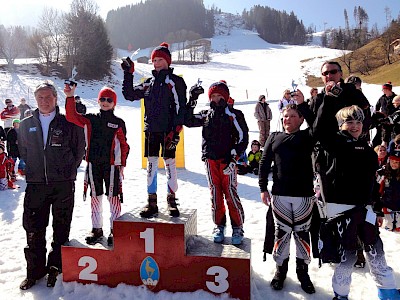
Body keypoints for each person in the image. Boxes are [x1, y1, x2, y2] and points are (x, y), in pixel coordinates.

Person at [314, 104, 400, 300]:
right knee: (347, 259)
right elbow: (319, 130)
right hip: (340, 211)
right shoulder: (333, 145)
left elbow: (371, 184)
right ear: (340, 125)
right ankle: (341, 295)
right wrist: (328, 98)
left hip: (365, 209)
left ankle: (388, 292)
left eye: (358, 122)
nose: (354, 126)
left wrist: (376, 209)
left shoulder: (368, 151)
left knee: (376, 253)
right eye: (349, 122)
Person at [17, 81, 85, 290]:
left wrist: (68, 171)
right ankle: (35, 271)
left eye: (48, 97)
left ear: (56, 98)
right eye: (40, 98)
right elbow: (23, 149)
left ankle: (55, 266)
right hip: (36, 184)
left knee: (61, 226)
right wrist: (32, 169)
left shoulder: (68, 122)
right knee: (33, 228)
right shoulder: (27, 123)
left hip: (62, 184)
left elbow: (79, 148)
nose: (44, 101)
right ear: (35, 100)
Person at [122, 42, 187, 218]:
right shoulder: (148, 83)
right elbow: (129, 94)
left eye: (159, 59)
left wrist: (176, 130)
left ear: (167, 61)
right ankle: (151, 201)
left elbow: (181, 108)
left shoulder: (174, 82)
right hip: (151, 130)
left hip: (169, 131)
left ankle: (171, 199)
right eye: (154, 60)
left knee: (170, 164)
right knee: (151, 164)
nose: (156, 63)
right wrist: (128, 73)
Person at [259, 96, 316, 294]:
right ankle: (280, 272)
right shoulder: (274, 137)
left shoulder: (308, 136)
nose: (288, 119)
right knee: (281, 234)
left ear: (301, 119)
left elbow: (316, 124)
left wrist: (302, 105)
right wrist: (262, 188)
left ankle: (303, 273)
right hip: (280, 195)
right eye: (285, 116)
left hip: (304, 196)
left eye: (293, 116)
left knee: (302, 234)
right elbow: (264, 163)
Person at [185, 80, 249, 245]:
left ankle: (238, 226)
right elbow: (188, 120)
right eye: (212, 96)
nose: (215, 99)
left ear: (226, 97)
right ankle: (219, 225)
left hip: (228, 161)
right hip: (210, 159)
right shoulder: (206, 114)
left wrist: (234, 158)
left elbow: (243, 138)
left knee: (230, 193)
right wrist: (192, 99)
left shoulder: (234, 114)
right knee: (215, 194)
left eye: (219, 95)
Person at [65, 85, 129, 246]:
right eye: (102, 99)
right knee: (95, 196)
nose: (105, 102)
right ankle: (97, 228)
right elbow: (72, 117)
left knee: (113, 197)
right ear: (98, 101)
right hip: (94, 164)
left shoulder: (118, 122)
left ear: (114, 103)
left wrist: (122, 163)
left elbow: (123, 144)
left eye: (109, 100)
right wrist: (70, 96)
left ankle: (116, 229)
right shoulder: (91, 119)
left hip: (112, 165)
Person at [375, 149, 400, 232]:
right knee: (388, 230)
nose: (394, 164)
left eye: (397, 162)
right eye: (392, 161)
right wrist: (378, 209)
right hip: (387, 207)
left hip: (398, 208)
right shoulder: (383, 172)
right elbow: (377, 192)